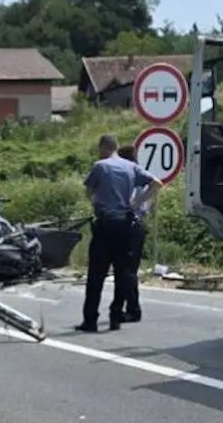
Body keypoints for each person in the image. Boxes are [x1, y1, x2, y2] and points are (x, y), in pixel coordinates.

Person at [77, 134, 162, 332]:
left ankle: (90, 320)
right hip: (126, 225)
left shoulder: (100, 166)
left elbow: (89, 193)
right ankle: (115, 316)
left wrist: (98, 202)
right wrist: (137, 202)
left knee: (96, 274)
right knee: (123, 273)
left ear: (103, 147)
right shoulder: (131, 167)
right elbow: (156, 183)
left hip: (106, 224)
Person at [117, 145, 151, 323]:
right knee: (128, 269)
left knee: (127, 269)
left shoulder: (130, 177)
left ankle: (132, 309)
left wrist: (134, 203)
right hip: (137, 225)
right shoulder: (139, 175)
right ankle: (125, 307)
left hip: (130, 224)